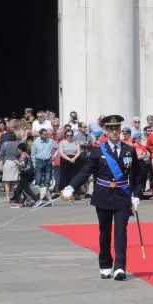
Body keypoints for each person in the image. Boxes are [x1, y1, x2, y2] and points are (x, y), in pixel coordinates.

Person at [62, 115, 140, 281]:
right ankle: (105, 263)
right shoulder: (98, 151)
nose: (114, 131)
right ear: (105, 130)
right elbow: (85, 172)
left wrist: (136, 194)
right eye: (110, 128)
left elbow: (136, 175)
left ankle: (120, 267)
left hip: (122, 197)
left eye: (117, 128)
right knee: (104, 233)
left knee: (121, 232)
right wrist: (71, 186)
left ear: (120, 129)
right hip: (103, 196)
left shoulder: (129, 150)